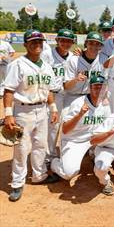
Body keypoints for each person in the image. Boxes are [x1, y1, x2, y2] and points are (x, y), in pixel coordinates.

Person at [4, 29, 60, 202]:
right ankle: (17, 183)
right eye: (33, 42)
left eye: (39, 41)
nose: (37, 44)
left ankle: (39, 175)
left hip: (42, 110)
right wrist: (8, 114)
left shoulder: (46, 66)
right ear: (25, 44)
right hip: (23, 111)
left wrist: (53, 108)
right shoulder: (18, 64)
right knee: (21, 148)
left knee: (40, 145)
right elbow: (9, 90)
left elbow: (49, 90)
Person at [51, 75, 111, 181]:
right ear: (89, 88)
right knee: (69, 173)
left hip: (93, 140)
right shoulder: (78, 103)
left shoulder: (105, 104)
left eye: (101, 87)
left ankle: (93, 154)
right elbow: (65, 129)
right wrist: (79, 115)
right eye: (95, 87)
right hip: (74, 141)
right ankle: (54, 163)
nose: (99, 90)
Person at [41, 29, 75, 162]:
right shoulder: (47, 54)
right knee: (53, 126)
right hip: (51, 94)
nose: (66, 43)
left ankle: (64, 151)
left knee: (68, 123)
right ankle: (49, 156)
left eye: (69, 41)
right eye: (63, 40)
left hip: (67, 94)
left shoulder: (72, 56)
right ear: (57, 40)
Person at [63, 32, 104, 108]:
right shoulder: (74, 60)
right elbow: (66, 86)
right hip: (71, 98)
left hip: (90, 99)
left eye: (97, 44)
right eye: (91, 43)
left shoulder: (102, 61)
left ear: (101, 46)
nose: (94, 46)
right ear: (86, 43)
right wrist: (75, 80)